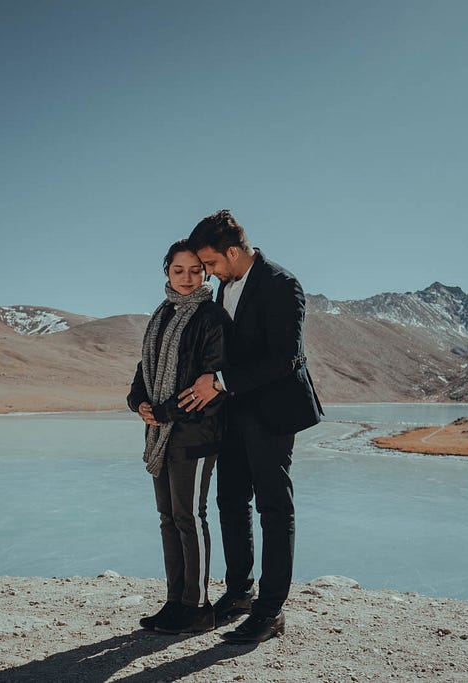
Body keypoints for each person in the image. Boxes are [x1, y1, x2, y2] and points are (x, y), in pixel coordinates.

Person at [178, 209, 323, 644]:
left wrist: (220, 382)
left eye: (212, 263)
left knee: (274, 509)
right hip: (234, 412)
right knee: (230, 500)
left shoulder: (283, 285)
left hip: (274, 411)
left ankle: (270, 611)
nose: (208, 272)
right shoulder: (222, 287)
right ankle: (240, 592)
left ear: (235, 251)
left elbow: (285, 359)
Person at [127, 239, 232, 634]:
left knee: (190, 517)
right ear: (167, 272)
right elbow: (145, 368)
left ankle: (199, 607)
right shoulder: (161, 315)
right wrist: (138, 402)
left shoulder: (211, 317)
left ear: (205, 272)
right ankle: (175, 602)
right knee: (167, 518)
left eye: (194, 270)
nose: (186, 278)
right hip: (161, 434)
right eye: (178, 270)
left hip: (196, 434)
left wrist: (165, 411)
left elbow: (209, 381)